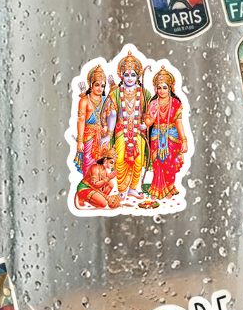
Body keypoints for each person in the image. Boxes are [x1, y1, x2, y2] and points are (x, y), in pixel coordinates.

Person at [110, 51, 150, 200]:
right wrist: (108, 135)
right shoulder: (115, 93)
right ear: (121, 76)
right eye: (126, 75)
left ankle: (133, 189)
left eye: (133, 75)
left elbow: (149, 113)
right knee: (120, 159)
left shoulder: (144, 93)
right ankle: (121, 190)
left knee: (138, 161)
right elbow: (112, 115)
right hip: (121, 129)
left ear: (138, 76)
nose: (130, 78)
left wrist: (146, 125)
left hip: (138, 130)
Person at [143, 66, 187, 199]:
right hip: (156, 134)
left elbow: (179, 122)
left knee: (169, 162)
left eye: (164, 88)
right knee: (157, 162)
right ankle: (156, 189)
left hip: (172, 135)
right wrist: (150, 118)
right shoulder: (153, 104)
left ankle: (169, 188)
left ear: (170, 88)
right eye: (159, 88)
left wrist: (184, 140)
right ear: (156, 89)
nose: (162, 91)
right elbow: (147, 123)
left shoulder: (176, 103)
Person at [73, 64, 115, 175]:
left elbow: (110, 117)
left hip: (102, 137)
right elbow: (81, 121)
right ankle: (89, 185)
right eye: (97, 85)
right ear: (91, 85)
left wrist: (107, 130)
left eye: (102, 86)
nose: (100, 88)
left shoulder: (106, 100)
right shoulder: (84, 101)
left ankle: (101, 185)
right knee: (89, 165)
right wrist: (80, 141)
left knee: (102, 166)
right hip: (89, 136)